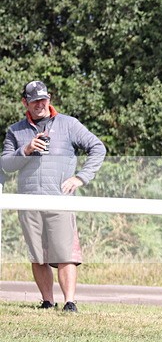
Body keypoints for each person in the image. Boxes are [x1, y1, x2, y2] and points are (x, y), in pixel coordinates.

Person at [1, 80, 106, 312]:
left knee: (65, 254)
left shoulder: (69, 124)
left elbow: (98, 148)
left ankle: (70, 302)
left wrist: (81, 177)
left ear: (49, 99)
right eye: (35, 100)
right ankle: (47, 301)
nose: (40, 104)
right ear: (25, 102)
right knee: (37, 256)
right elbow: (6, 164)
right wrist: (25, 150)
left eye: (43, 99)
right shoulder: (15, 131)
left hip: (60, 200)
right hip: (28, 202)